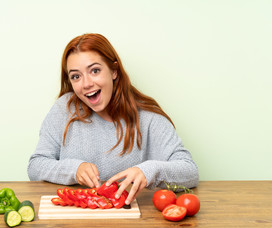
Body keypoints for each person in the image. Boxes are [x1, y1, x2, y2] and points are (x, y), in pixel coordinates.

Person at [28, 33, 198, 205]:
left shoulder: (148, 118)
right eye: (76, 76)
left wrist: (147, 171)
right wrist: (74, 169)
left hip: (131, 225)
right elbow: (35, 166)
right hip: (74, 223)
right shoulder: (64, 109)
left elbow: (190, 171)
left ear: (114, 71)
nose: (86, 84)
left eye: (95, 71)